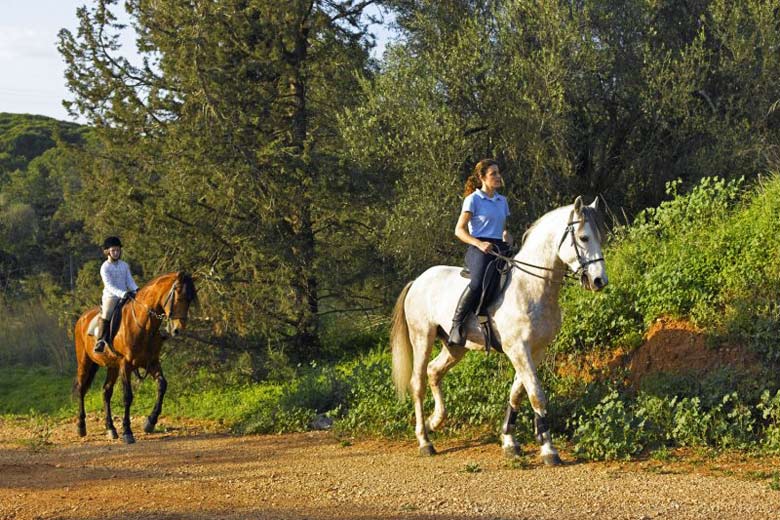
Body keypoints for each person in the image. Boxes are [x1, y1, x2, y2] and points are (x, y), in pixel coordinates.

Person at [448, 159, 512, 347]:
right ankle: (456, 325)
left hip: (500, 247)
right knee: (477, 283)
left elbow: (502, 228)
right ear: (482, 177)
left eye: (499, 173)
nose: (498, 177)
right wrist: (479, 243)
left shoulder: (502, 201)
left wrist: (508, 237)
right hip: (478, 247)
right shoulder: (473, 199)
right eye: (493, 174)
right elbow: (459, 230)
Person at [94, 236, 139, 353]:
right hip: (111, 297)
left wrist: (137, 290)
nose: (116, 253)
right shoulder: (105, 267)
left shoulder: (124, 265)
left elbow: (129, 281)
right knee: (107, 313)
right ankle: (101, 340)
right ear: (107, 251)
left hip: (126, 294)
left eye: (118, 250)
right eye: (113, 250)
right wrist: (122, 293)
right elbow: (109, 285)